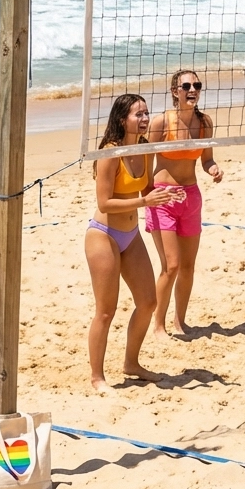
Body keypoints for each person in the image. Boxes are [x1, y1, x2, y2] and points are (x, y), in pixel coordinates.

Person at [86, 94, 183, 390]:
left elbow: (148, 186)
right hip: (104, 235)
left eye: (146, 113)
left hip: (130, 234)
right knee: (105, 310)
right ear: (121, 120)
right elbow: (104, 203)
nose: (144, 119)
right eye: (138, 114)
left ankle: (131, 363)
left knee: (148, 302)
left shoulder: (143, 148)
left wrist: (166, 193)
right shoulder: (108, 154)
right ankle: (97, 377)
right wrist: (145, 201)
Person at [145, 70, 223, 336]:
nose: (192, 90)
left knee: (188, 267)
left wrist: (213, 170)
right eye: (186, 86)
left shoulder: (204, 123)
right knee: (172, 265)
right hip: (163, 196)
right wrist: (146, 196)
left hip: (190, 196)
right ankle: (158, 324)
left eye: (196, 85)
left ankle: (180, 322)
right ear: (174, 91)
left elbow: (207, 160)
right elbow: (144, 160)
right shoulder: (160, 123)